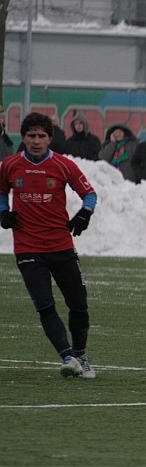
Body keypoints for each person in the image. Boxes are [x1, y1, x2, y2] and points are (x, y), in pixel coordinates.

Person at [0, 112, 99, 378]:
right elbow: (1, 191)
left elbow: (89, 193)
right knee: (45, 305)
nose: (36, 141)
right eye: (31, 136)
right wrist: (3, 211)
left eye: (41, 136)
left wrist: (84, 213)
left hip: (61, 245)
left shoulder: (63, 165)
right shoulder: (9, 166)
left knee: (78, 304)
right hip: (28, 247)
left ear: (49, 139)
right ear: (23, 138)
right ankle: (68, 357)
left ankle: (81, 354)